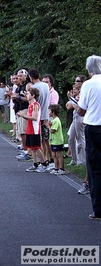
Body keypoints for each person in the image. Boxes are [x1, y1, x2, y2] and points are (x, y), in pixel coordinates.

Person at [77, 55, 101, 220]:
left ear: (89, 69)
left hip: (93, 127)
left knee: (95, 169)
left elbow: (81, 109)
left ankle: (98, 209)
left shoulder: (88, 84)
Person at [16, 88, 47, 172]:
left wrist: (23, 115)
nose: (27, 95)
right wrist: (23, 116)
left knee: (36, 147)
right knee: (32, 147)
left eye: (28, 94)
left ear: (33, 95)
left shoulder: (36, 105)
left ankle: (44, 163)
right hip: (29, 128)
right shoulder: (30, 105)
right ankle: (35, 163)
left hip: (35, 129)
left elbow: (35, 117)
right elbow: (29, 117)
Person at [48, 104, 65, 175]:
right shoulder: (53, 120)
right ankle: (56, 168)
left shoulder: (56, 120)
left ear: (53, 112)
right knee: (53, 155)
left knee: (58, 155)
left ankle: (62, 168)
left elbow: (53, 130)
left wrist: (47, 125)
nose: (48, 112)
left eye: (49, 111)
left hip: (57, 141)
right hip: (53, 141)